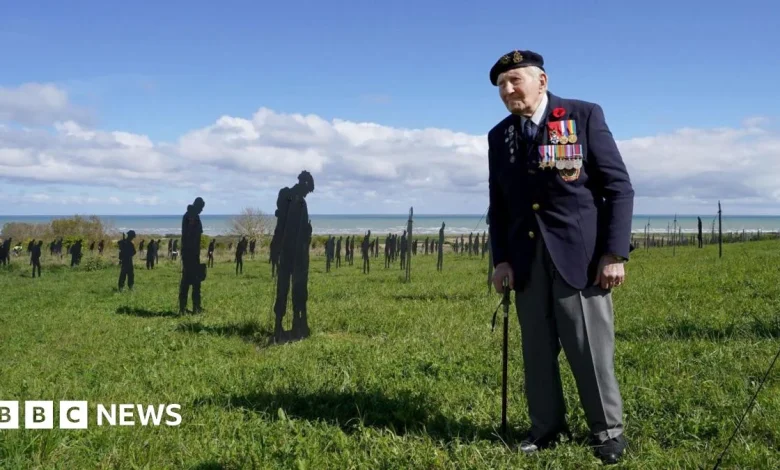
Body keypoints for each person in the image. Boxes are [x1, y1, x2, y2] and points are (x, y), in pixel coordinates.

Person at [487, 49, 633, 464]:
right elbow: (499, 206)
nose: (508, 89)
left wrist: (613, 252)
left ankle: (607, 433)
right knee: (536, 349)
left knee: (589, 349)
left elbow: (618, 188)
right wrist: (501, 261)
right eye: (501, 84)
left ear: (542, 81)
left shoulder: (583, 116)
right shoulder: (500, 136)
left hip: (580, 258)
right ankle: (546, 428)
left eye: (515, 80)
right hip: (527, 261)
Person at [179, 198, 205, 314]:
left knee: (194, 281)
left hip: (192, 253)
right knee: (189, 281)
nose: (201, 210)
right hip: (190, 253)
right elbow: (190, 236)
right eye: (201, 207)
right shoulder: (191, 216)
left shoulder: (191, 215)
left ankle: (194, 306)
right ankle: (186, 308)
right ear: (197, 206)